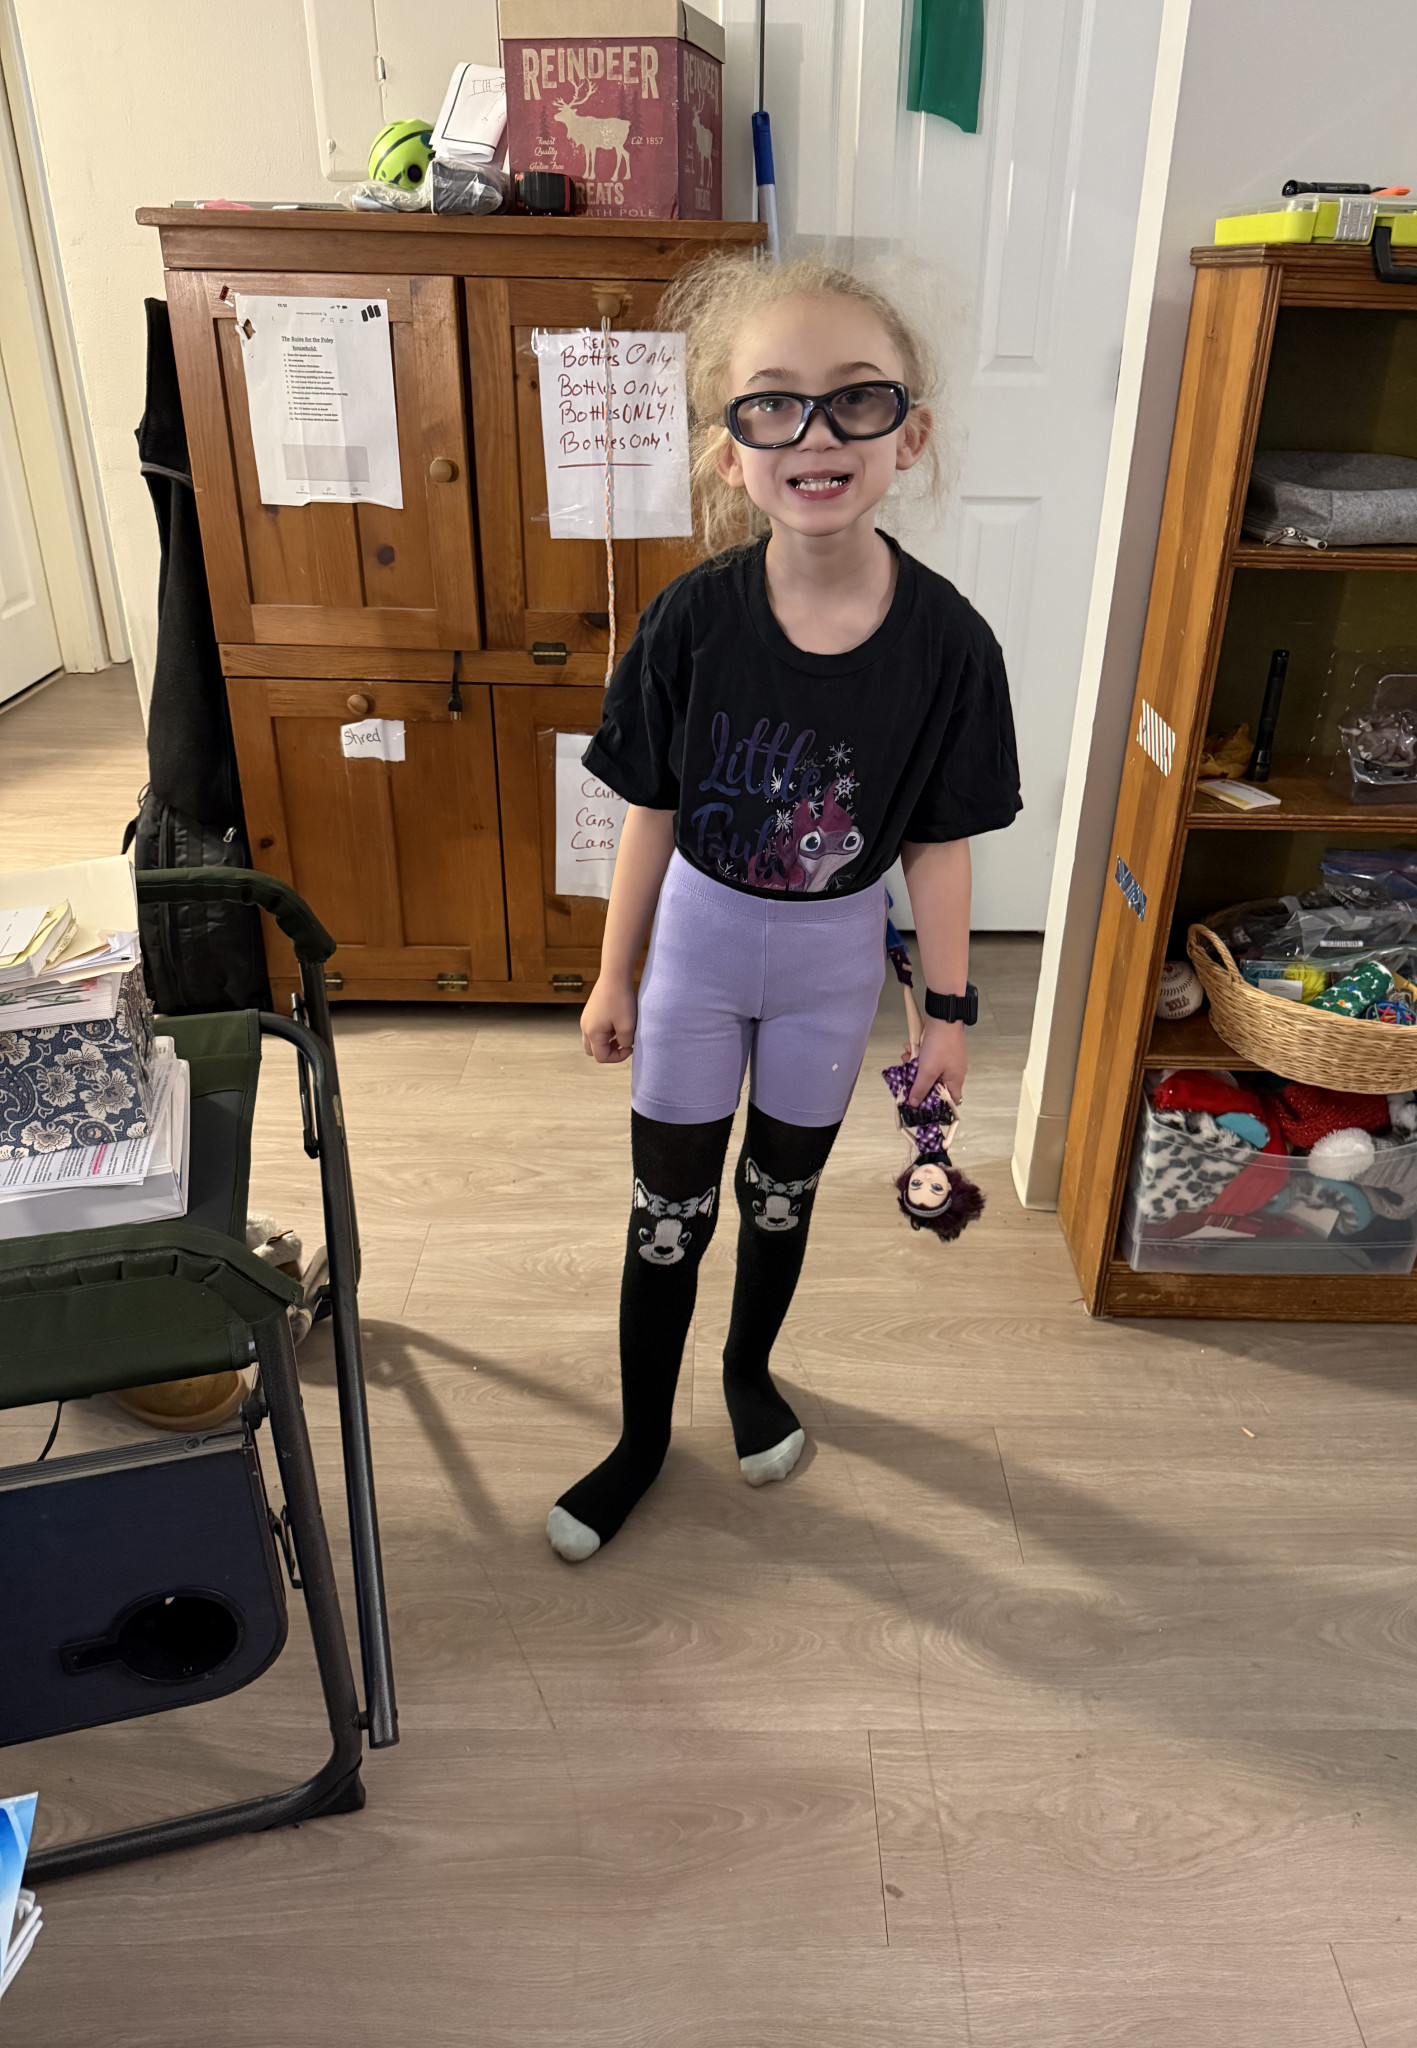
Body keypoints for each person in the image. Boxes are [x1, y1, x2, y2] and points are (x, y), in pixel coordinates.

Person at [547, 253, 1021, 1562]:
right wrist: (614, 974)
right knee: (669, 1216)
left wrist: (948, 1014)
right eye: (774, 403)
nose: (816, 434)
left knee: (778, 1198)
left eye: (856, 399)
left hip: (830, 969)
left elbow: (937, 844)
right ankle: (642, 1438)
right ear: (730, 451)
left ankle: (748, 1373)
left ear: (908, 434)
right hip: (697, 957)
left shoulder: (950, 645)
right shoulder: (690, 623)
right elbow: (649, 809)